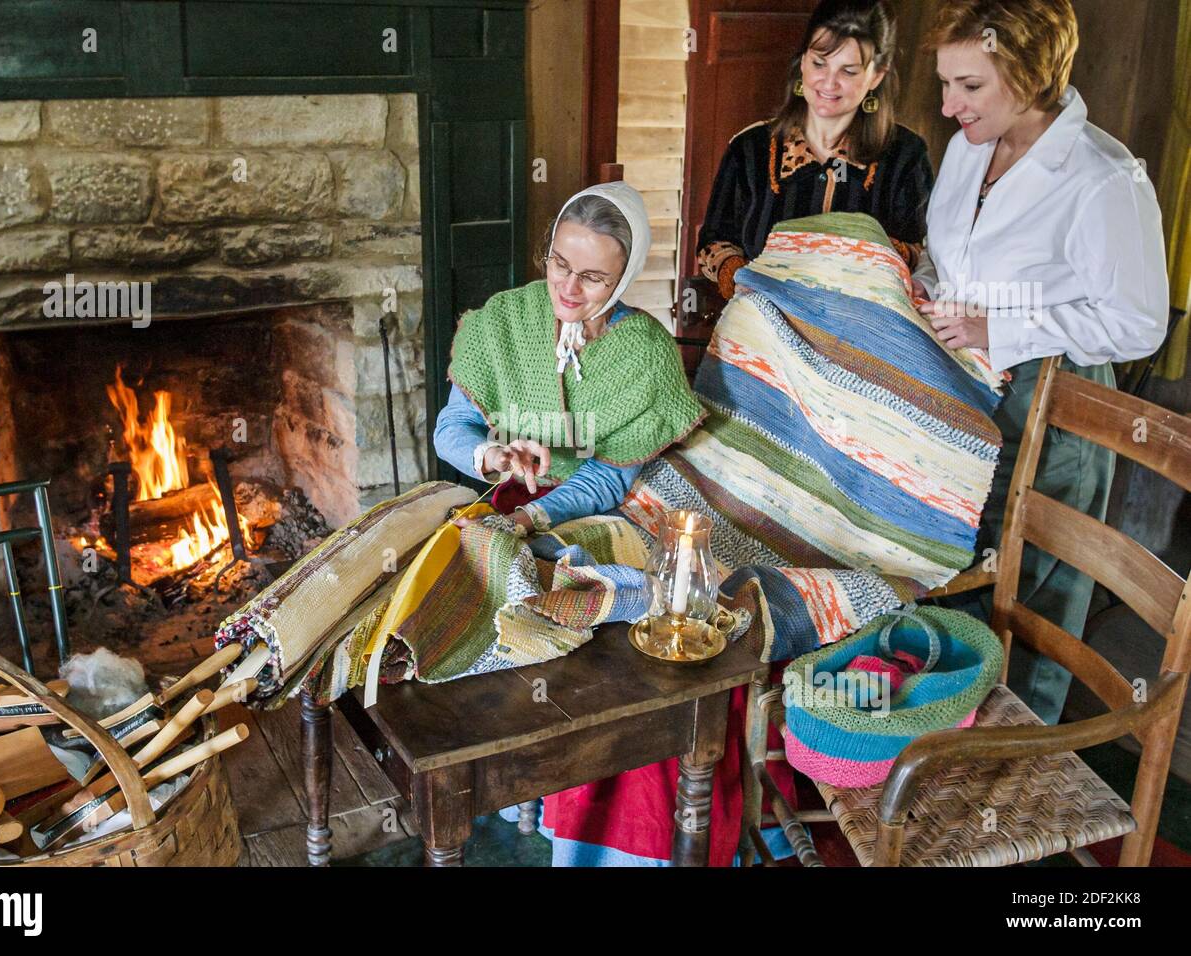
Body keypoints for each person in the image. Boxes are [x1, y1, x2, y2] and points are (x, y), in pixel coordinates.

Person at [915, 0, 1169, 723]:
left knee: (1030, 600)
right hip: (965, 390)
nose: (947, 105)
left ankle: (1010, 775)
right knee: (958, 575)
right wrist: (930, 291)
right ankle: (930, 743)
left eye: (969, 85)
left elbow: (1137, 321)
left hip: (1053, 408)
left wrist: (1002, 327)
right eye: (946, 83)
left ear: (1027, 75)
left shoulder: (1103, 179)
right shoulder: (970, 147)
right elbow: (952, 259)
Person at [434, 182, 703, 532]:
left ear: (623, 279)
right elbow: (451, 428)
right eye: (560, 264)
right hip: (501, 497)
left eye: (593, 277)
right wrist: (492, 455)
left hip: (588, 515)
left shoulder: (647, 354)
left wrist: (530, 518)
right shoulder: (504, 318)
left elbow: (608, 478)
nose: (569, 289)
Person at [696, 0, 933, 301]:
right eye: (819, 63)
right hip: (760, 326)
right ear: (803, 62)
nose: (829, 83)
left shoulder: (905, 156)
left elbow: (921, 253)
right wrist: (742, 281)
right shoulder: (750, 149)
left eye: (848, 71)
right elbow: (713, 243)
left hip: (859, 334)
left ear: (877, 76)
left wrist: (856, 251)